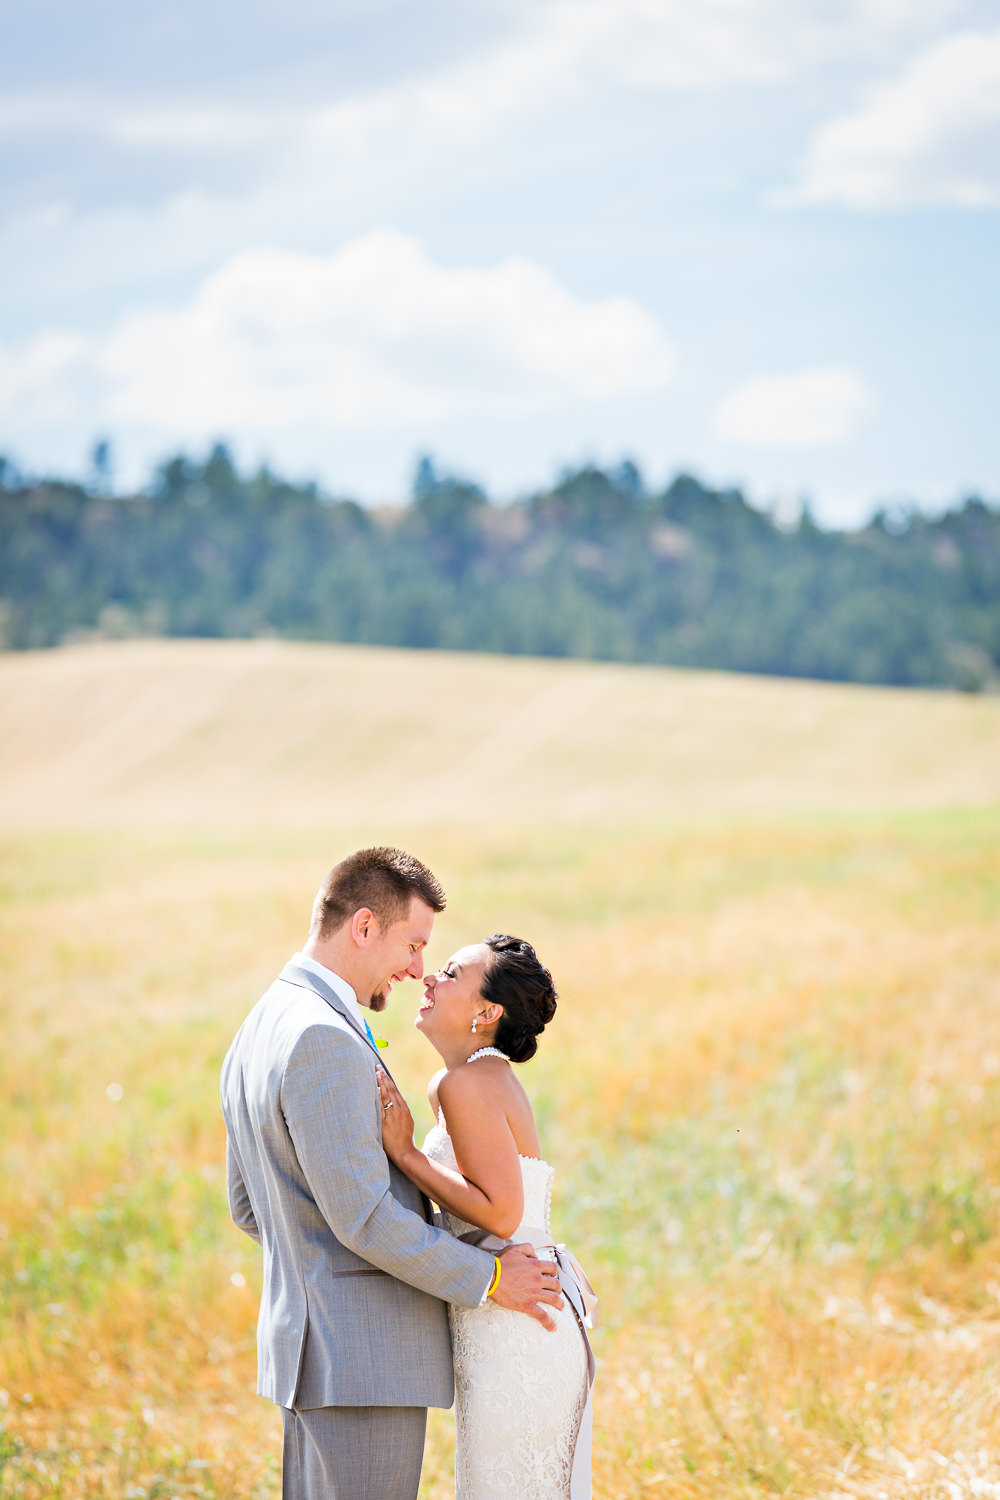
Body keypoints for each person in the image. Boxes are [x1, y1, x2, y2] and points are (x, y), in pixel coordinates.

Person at [220, 848, 563, 1500]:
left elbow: (247, 1205)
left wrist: (313, 1276)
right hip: (361, 1360)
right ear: (364, 926)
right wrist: (488, 1277)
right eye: (412, 944)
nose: (417, 969)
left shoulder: (263, 1021)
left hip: (319, 1355)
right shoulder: (322, 1036)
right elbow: (365, 1217)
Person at [377, 931, 597, 1500]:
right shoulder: (476, 1079)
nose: (428, 978)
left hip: (517, 1322)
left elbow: (501, 1214)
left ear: (487, 1011)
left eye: (450, 974)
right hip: (514, 1313)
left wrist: (403, 1154)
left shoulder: (465, 1083)